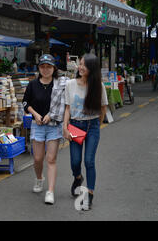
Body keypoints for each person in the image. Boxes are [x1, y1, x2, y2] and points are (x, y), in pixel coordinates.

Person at [62, 53, 108, 211]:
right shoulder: (70, 84)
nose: (80, 67)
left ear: (92, 69)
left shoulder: (98, 86)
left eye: (84, 65)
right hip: (75, 125)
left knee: (89, 161)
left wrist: (98, 125)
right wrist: (65, 127)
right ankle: (78, 177)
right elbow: (67, 108)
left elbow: (103, 108)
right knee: (75, 162)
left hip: (93, 126)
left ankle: (89, 194)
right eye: (80, 64)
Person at [22, 54, 68, 205]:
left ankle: (50, 191)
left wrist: (50, 115)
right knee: (37, 158)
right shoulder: (33, 84)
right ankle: (39, 178)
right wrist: (35, 115)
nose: (46, 69)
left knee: (51, 159)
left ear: (54, 68)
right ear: (39, 68)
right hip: (38, 125)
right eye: (43, 66)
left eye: (49, 66)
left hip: (54, 125)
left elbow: (63, 104)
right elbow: (25, 102)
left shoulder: (60, 85)